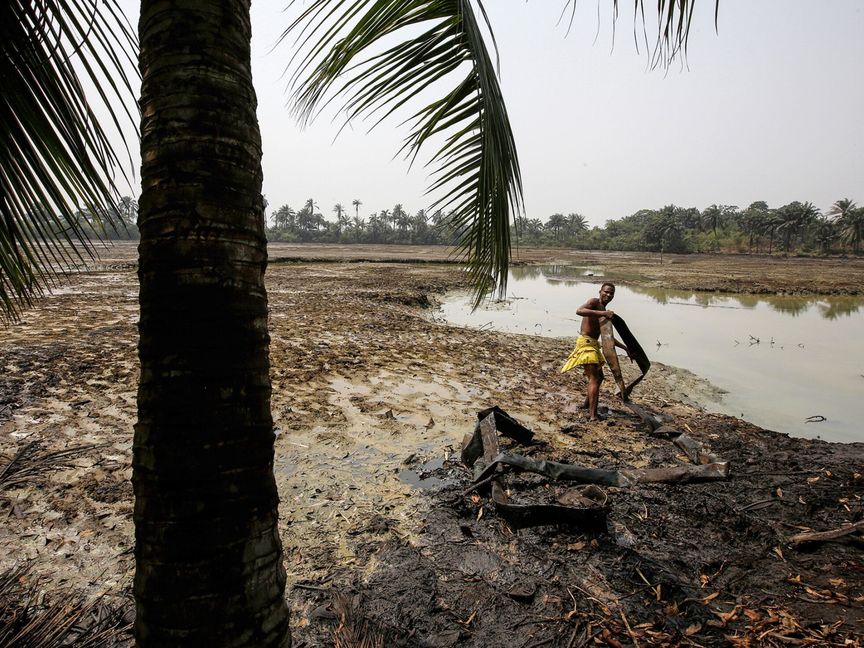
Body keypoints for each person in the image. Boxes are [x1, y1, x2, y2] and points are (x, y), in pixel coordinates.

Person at [560, 282, 628, 421]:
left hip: (593, 345)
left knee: (599, 378)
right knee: (594, 379)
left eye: (611, 293)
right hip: (586, 343)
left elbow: (608, 338)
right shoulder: (594, 302)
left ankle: (586, 405)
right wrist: (603, 313)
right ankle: (593, 415)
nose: (608, 295)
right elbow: (579, 311)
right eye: (606, 292)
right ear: (600, 291)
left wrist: (626, 348)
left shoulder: (604, 310)